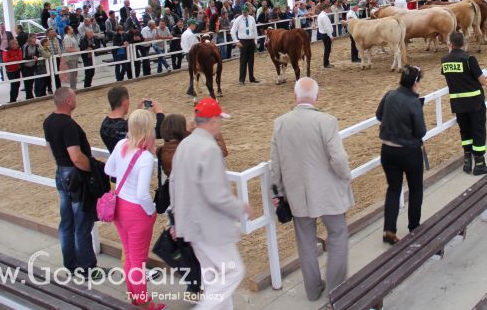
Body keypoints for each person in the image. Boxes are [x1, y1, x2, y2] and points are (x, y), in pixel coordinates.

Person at [270, 78, 353, 301]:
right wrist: (346, 176)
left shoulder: (280, 123)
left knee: (305, 242)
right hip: (327, 192)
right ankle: (336, 289)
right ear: (317, 97)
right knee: (337, 234)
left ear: (295, 96)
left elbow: (275, 164)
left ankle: (313, 290)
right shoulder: (327, 121)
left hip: (297, 194)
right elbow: (338, 159)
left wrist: (277, 192)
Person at [171, 99, 252, 310]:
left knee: (213, 276)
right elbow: (216, 194)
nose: (220, 125)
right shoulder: (209, 149)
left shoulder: (185, 145)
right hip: (209, 226)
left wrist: (176, 219)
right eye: (219, 120)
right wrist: (240, 207)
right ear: (213, 120)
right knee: (233, 271)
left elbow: (174, 184)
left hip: (190, 223)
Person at [104, 110, 164, 309]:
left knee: (129, 253)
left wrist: (122, 176)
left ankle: (133, 294)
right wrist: (151, 210)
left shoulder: (122, 145)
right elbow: (142, 194)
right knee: (138, 258)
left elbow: (108, 170)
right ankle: (145, 300)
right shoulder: (145, 157)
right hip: (136, 210)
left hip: (119, 205)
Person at [43, 88, 99, 277]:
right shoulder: (68, 125)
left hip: (61, 171)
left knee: (66, 221)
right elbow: (76, 156)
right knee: (81, 221)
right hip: (74, 174)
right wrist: (93, 169)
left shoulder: (48, 121)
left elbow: (49, 148)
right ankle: (87, 267)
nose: (76, 100)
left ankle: (71, 263)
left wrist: (61, 164)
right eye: (73, 97)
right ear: (67, 101)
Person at [375, 65, 426, 245]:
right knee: (415, 188)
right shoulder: (413, 102)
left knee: (393, 189)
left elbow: (379, 115)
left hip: (387, 150)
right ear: (415, 83)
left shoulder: (389, 95)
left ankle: (389, 229)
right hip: (409, 151)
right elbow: (420, 131)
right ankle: (414, 227)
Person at [440, 32, 487, 175]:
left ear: (450, 44)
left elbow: (448, 75)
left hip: (458, 103)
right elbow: (483, 81)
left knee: (465, 131)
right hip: (475, 101)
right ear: (463, 44)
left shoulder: (444, 60)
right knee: (478, 131)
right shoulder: (469, 59)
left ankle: (467, 162)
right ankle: (480, 164)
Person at [100, 86, 164, 154]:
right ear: (125, 102)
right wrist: (159, 113)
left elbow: (123, 125)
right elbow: (160, 132)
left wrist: (138, 111)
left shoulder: (104, 125)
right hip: (133, 162)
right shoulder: (129, 127)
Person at [230, 6, 260, 86]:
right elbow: (232, 31)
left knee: (251, 61)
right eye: (243, 12)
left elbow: (255, 30)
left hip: (251, 40)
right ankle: (241, 79)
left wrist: (255, 40)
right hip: (243, 41)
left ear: (248, 11)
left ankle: (251, 78)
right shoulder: (238, 19)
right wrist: (236, 41)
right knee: (243, 61)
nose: (245, 14)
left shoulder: (252, 18)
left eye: (246, 12)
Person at [22, 34, 43, 100]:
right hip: (26, 67)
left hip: (33, 66)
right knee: (28, 83)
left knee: (33, 81)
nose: (35, 41)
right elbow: (24, 57)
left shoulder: (36, 46)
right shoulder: (25, 46)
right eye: (33, 39)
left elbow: (37, 54)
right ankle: (29, 97)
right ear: (30, 40)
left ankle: (34, 96)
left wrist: (35, 56)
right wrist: (32, 57)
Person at [3, 39, 23, 103]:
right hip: (10, 71)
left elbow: (20, 58)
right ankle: (12, 100)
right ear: (11, 45)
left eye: (17, 43)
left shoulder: (19, 49)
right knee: (14, 85)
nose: (17, 45)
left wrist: (13, 58)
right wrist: (15, 57)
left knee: (17, 84)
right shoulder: (6, 50)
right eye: (16, 44)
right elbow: (6, 60)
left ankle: (14, 99)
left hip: (17, 69)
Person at [317, 4, 334, 69]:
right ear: (326, 8)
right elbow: (326, 28)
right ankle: (326, 64)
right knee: (327, 49)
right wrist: (331, 36)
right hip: (326, 34)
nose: (329, 9)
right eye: (329, 8)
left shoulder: (320, 15)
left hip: (323, 34)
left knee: (327, 49)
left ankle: (326, 63)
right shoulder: (324, 16)